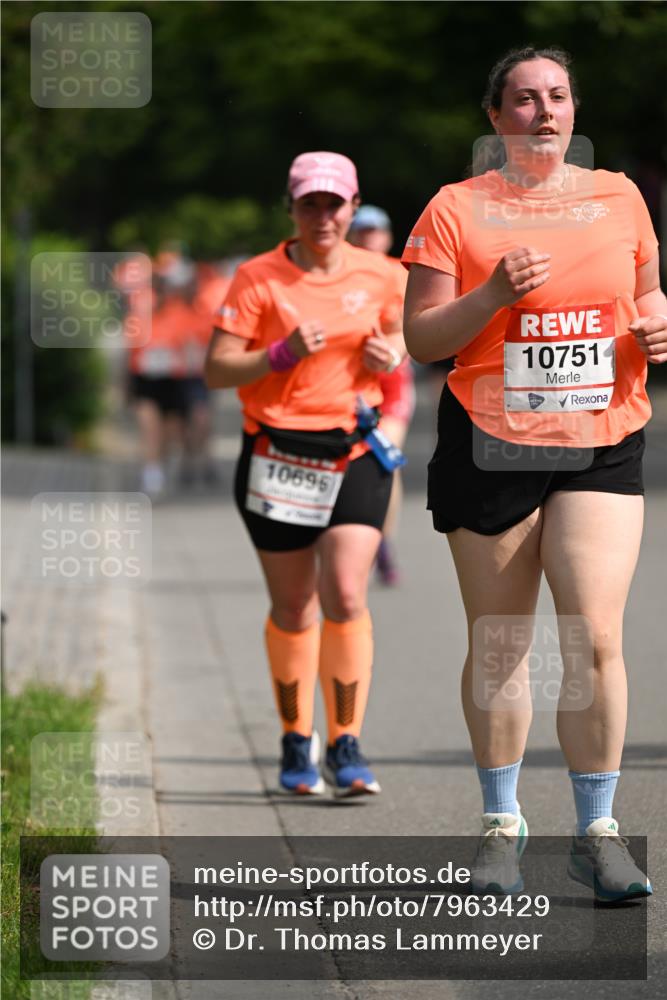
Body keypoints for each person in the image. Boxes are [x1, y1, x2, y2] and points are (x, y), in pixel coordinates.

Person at [403, 46, 665, 900]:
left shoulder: (617, 195)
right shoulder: (456, 209)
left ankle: (597, 831)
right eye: (522, 100)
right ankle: (501, 828)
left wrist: (659, 327)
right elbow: (422, 337)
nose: (542, 112)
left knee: (593, 636)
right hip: (491, 439)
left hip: (601, 433)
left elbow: (649, 292)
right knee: (501, 644)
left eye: (555, 97)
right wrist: (491, 298)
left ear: (573, 110)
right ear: (495, 118)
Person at [204, 152, 406, 797]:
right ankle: (297, 740)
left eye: (334, 204)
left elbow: (410, 337)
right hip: (277, 456)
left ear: (353, 207)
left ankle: (346, 743)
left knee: (346, 593)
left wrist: (393, 350)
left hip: (352, 449)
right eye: (310, 204)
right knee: (295, 606)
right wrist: (280, 353)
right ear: (291, 208)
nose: (323, 216)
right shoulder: (258, 278)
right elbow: (217, 369)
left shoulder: (383, 274)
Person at [348, 205, 416, 585]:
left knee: (383, 460)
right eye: (361, 231)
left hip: (390, 380)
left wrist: (392, 352)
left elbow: (414, 325)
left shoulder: (400, 275)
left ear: (388, 237)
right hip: (347, 381)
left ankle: (382, 545)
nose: (368, 238)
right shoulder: (337, 273)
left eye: (375, 231)